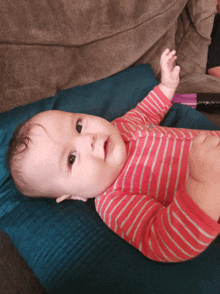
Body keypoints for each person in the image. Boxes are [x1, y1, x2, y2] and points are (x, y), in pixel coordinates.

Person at [8, 49, 220, 263]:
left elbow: (147, 111)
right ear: (74, 196)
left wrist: (166, 86)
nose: (88, 139)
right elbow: (163, 242)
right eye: (71, 159)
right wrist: (204, 183)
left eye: (79, 126)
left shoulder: (120, 126)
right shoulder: (114, 202)